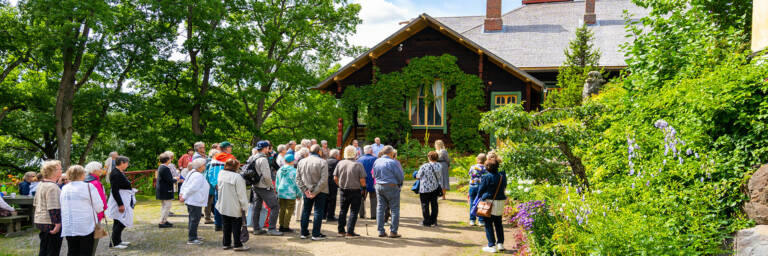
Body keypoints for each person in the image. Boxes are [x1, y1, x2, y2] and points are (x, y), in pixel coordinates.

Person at [60, 165, 104, 256]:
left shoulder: (65, 188)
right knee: (86, 250)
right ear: (82, 174)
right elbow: (99, 207)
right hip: (85, 225)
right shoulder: (89, 187)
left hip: (69, 224)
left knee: (72, 250)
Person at [249, 141, 283, 236]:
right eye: (268, 148)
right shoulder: (263, 159)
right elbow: (267, 176)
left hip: (255, 185)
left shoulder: (253, 157)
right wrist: (271, 186)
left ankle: (256, 228)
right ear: (265, 148)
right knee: (275, 206)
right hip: (264, 187)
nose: (269, 149)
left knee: (257, 207)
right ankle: (271, 229)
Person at [296, 144, 329, 240]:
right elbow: (324, 180)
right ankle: (315, 234)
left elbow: (297, 179)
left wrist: (305, 190)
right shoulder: (323, 162)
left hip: (307, 190)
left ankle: (304, 232)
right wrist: (314, 192)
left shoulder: (301, 161)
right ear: (319, 151)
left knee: (306, 210)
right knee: (318, 211)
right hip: (320, 191)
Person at [216, 159, 250, 251]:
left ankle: (226, 243)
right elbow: (241, 194)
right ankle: (237, 245)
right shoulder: (237, 177)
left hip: (223, 203)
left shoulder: (221, 174)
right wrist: (245, 207)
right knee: (236, 226)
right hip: (234, 205)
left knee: (226, 225)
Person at [334, 146, 367, 238]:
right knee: (354, 211)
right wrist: (364, 188)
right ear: (355, 153)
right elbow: (362, 181)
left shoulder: (340, 163)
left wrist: (340, 185)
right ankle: (350, 231)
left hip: (343, 190)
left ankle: (341, 231)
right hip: (355, 190)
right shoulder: (358, 164)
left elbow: (335, 178)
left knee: (343, 210)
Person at [373, 146, 404, 238]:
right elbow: (400, 177)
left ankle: (380, 231)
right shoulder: (392, 162)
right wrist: (398, 185)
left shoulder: (377, 161)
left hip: (379, 185)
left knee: (380, 208)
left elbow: (374, 175)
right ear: (391, 153)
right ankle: (393, 231)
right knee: (394, 209)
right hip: (391, 186)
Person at [477, 158, 507, 253]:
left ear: (487, 168)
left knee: (488, 224)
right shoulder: (502, 176)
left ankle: (491, 245)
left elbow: (481, 190)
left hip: (489, 202)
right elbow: (504, 187)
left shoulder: (486, 177)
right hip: (500, 202)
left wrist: (479, 197)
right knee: (498, 223)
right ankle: (500, 244)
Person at [33, 160, 63, 256]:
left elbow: (35, 203)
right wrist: (57, 224)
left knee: (44, 248)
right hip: (50, 222)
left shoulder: (41, 184)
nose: (62, 170)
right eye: (60, 169)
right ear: (54, 172)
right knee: (52, 250)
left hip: (40, 220)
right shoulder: (52, 187)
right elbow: (54, 207)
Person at [106, 156, 135, 249]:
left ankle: (117, 241)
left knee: (118, 220)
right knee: (121, 221)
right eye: (127, 163)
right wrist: (120, 204)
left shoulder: (119, 172)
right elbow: (115, 190)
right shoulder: (115, 173)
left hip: (124, 198)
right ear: (122, 163)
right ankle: (114, 243)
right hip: (119, 200)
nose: (127, 165)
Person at [180, 158, 209, 245]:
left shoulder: (192, 172)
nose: (205, 166)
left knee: (192, 218)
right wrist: (183, 196)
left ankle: (193, 235)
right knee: (194, 219)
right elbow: (192, 188)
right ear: (200, 166)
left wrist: (182, 193)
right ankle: (192, 238)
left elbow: (185, 184)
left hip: (193, 200)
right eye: (204, 165)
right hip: (195, 200)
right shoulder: (197, 175)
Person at [208, 142, 236, 231]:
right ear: (226, 148)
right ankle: (226, 225)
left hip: (217, 185)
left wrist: (214, 184)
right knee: (227, 205)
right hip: (227, 184)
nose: (231, 148)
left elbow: (210, 173)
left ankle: (218, 224)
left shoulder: (214, 158)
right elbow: (233, 172)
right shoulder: (231, 158)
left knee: (217, 204)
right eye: (230, 147)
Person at [85, 162, 108, 256]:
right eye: (100, 168)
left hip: (88, 213)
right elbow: (100, 200)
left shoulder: (86, 181)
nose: (102, 170)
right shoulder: (95, 182)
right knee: (93, 240)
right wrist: (103, 211)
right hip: (96, 214)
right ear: (94, 170)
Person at [416, 151, 443, 227]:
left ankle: (426, 221)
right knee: (434, 204)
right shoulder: (439, 166)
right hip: (435, 187)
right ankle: (433, 220)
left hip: (425, 188)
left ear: (429, 157)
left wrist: (415, 174)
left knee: (425, 205)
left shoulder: (424, 166)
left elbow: (418, 176)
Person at [276, 154, 300, 233]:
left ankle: (281, 225)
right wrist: (299, 194)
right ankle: (286, 227)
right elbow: (297, 184)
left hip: (281, 192)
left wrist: (277, 190)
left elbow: (277, 182)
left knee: (282, 209)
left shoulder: (280, 170)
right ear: (292, 161)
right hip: (290, 192)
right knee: (289, 209)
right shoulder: (294, 171)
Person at [156, 152, 176, 228]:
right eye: (170, 159)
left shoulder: (161, 167)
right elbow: (169, 180)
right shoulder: (165, 168)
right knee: (167, 206)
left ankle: (164, 220)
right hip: (166, 190)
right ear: (167, 160)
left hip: (162, 190)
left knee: (164, 206)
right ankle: (162, 222)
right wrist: (175, 179)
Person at [357, 145, 377, 219]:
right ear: (371, 151)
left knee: (362, 198)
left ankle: (361, 214)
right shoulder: (375, 159)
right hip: (372, 182)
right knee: (374, 199)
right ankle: (373, 215)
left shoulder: (359, 159)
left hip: (362, 181)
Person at [468, 153, 487, 226]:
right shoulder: (485, 168)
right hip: (482, 187)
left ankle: (472, 220)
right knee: (482, 203)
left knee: (472, 202)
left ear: (477, 159)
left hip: (472, 186)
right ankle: (481, 221)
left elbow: (470, 174)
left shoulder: (473, 167)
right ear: (485, 160)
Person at [325, 149, 340, 221]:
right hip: (333, 182)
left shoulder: (326, 161)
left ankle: (324, 215)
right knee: (332, 199)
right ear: (336, 155)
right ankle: (330, 215)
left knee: (325, 199)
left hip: (325, 182)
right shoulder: (337, 162)